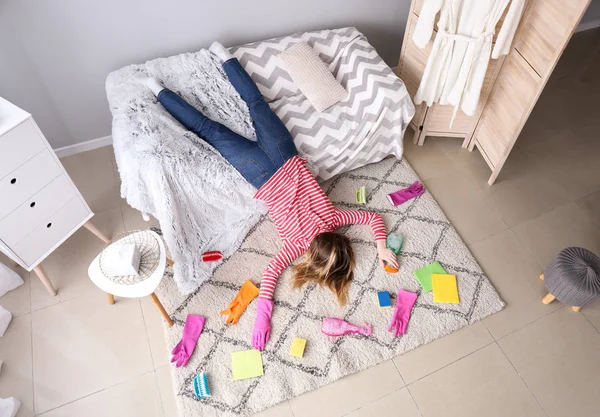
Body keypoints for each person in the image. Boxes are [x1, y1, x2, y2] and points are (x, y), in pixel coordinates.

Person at [136, 42, 398, 350]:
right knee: (208, 129)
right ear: (313, 254)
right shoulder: (296, 246)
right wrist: (263, 317)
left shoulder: (336, 218)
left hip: (282, 154)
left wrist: (381, 247)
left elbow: (371, 218)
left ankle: (223, 57)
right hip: (259, 171)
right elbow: (271, 275)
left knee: (255, 103)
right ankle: (157, 89)